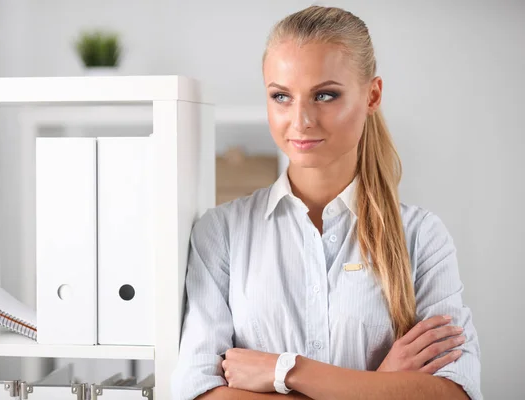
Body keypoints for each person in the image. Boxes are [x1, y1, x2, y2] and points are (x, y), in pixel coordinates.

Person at [171, 5, 482, 400]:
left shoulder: (422, 237)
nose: (300, 120)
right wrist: (381, 384)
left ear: (372, 95)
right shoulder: (221, 233)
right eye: (281, 96)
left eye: (325, 95)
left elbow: (454, 393)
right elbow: (197, 393)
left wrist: (288, 371)